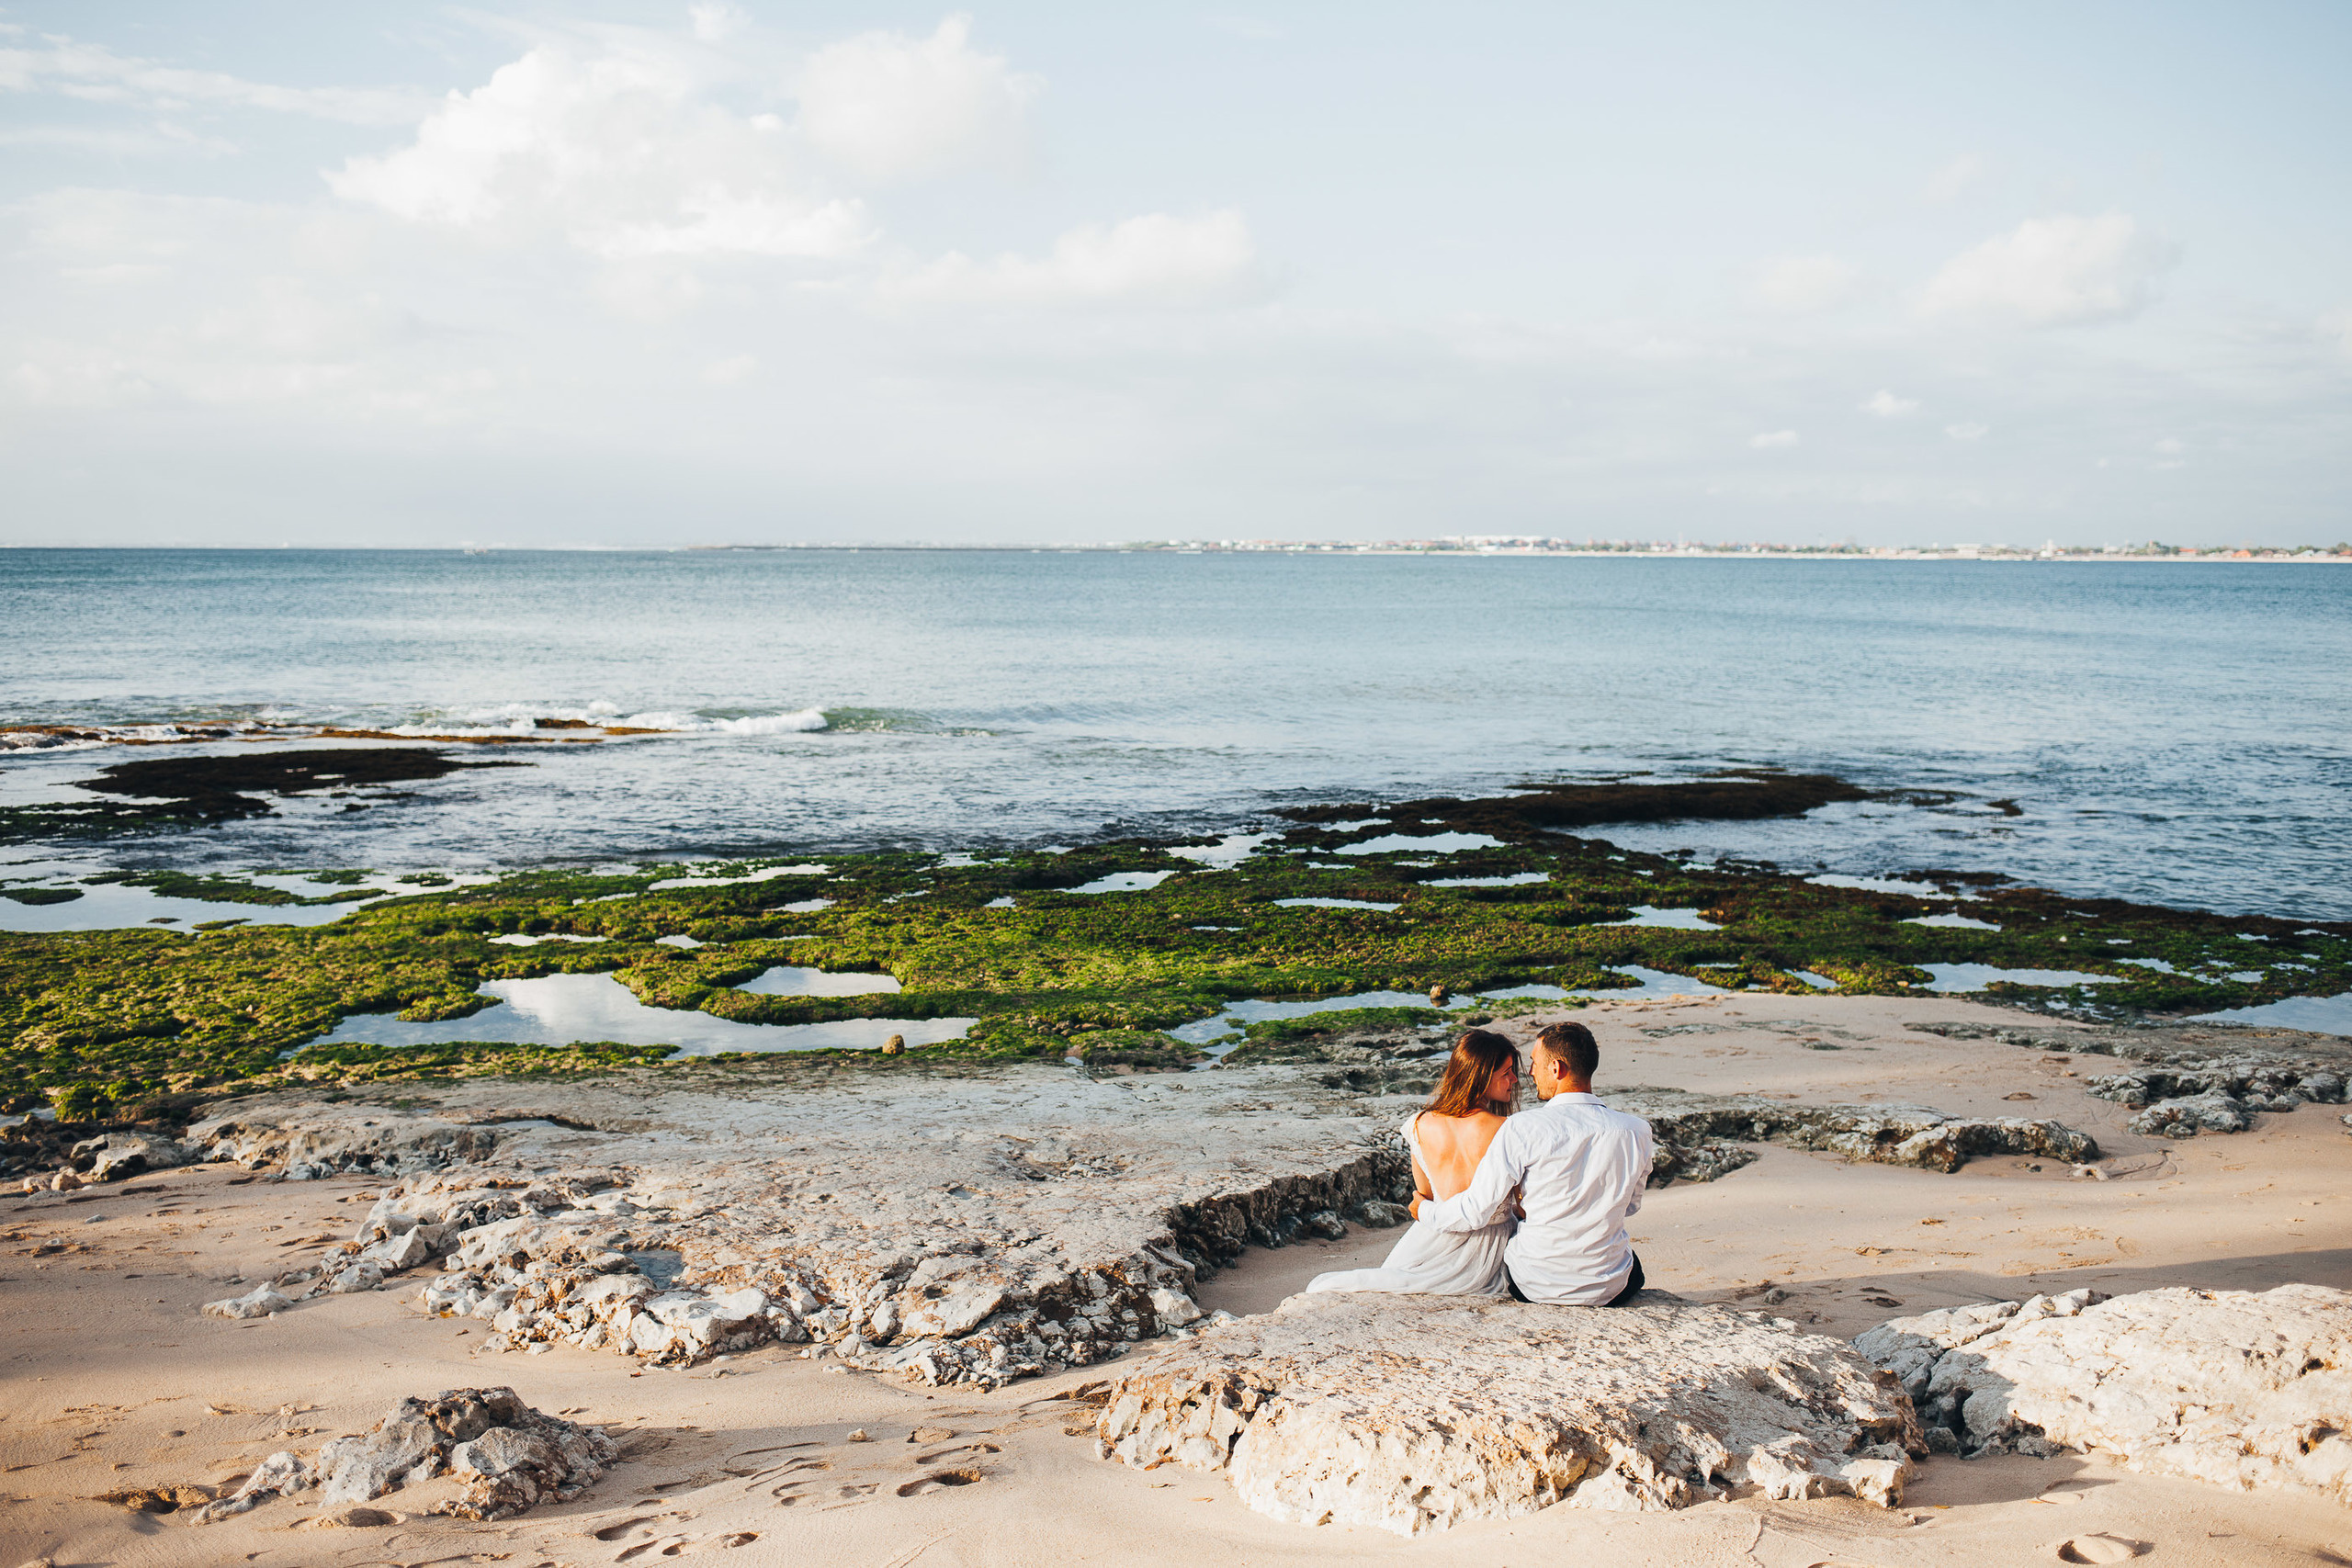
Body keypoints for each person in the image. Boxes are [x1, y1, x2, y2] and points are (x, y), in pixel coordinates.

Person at [1410, 1020, 1654, 1306]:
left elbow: (1475, 1211)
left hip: (1536, 1285)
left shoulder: (1521, 1127)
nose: (1529, 1072)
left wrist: (1423, 1209)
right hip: (1608, 1287)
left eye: (1534, 1063)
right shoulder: (1637, 1130)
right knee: (1631, 1265)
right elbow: (1630, 1206)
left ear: (1557, 1068)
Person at [1303, 1030, 1520, 1297]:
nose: (1514, 1079)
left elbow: (1423, 1199)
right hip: (1489, 1248)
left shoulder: (1419, 1123)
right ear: (1482, 1075)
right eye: (1507, 1072)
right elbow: (1522, 1202)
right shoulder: (1506, 1129)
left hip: (1432, 1240)